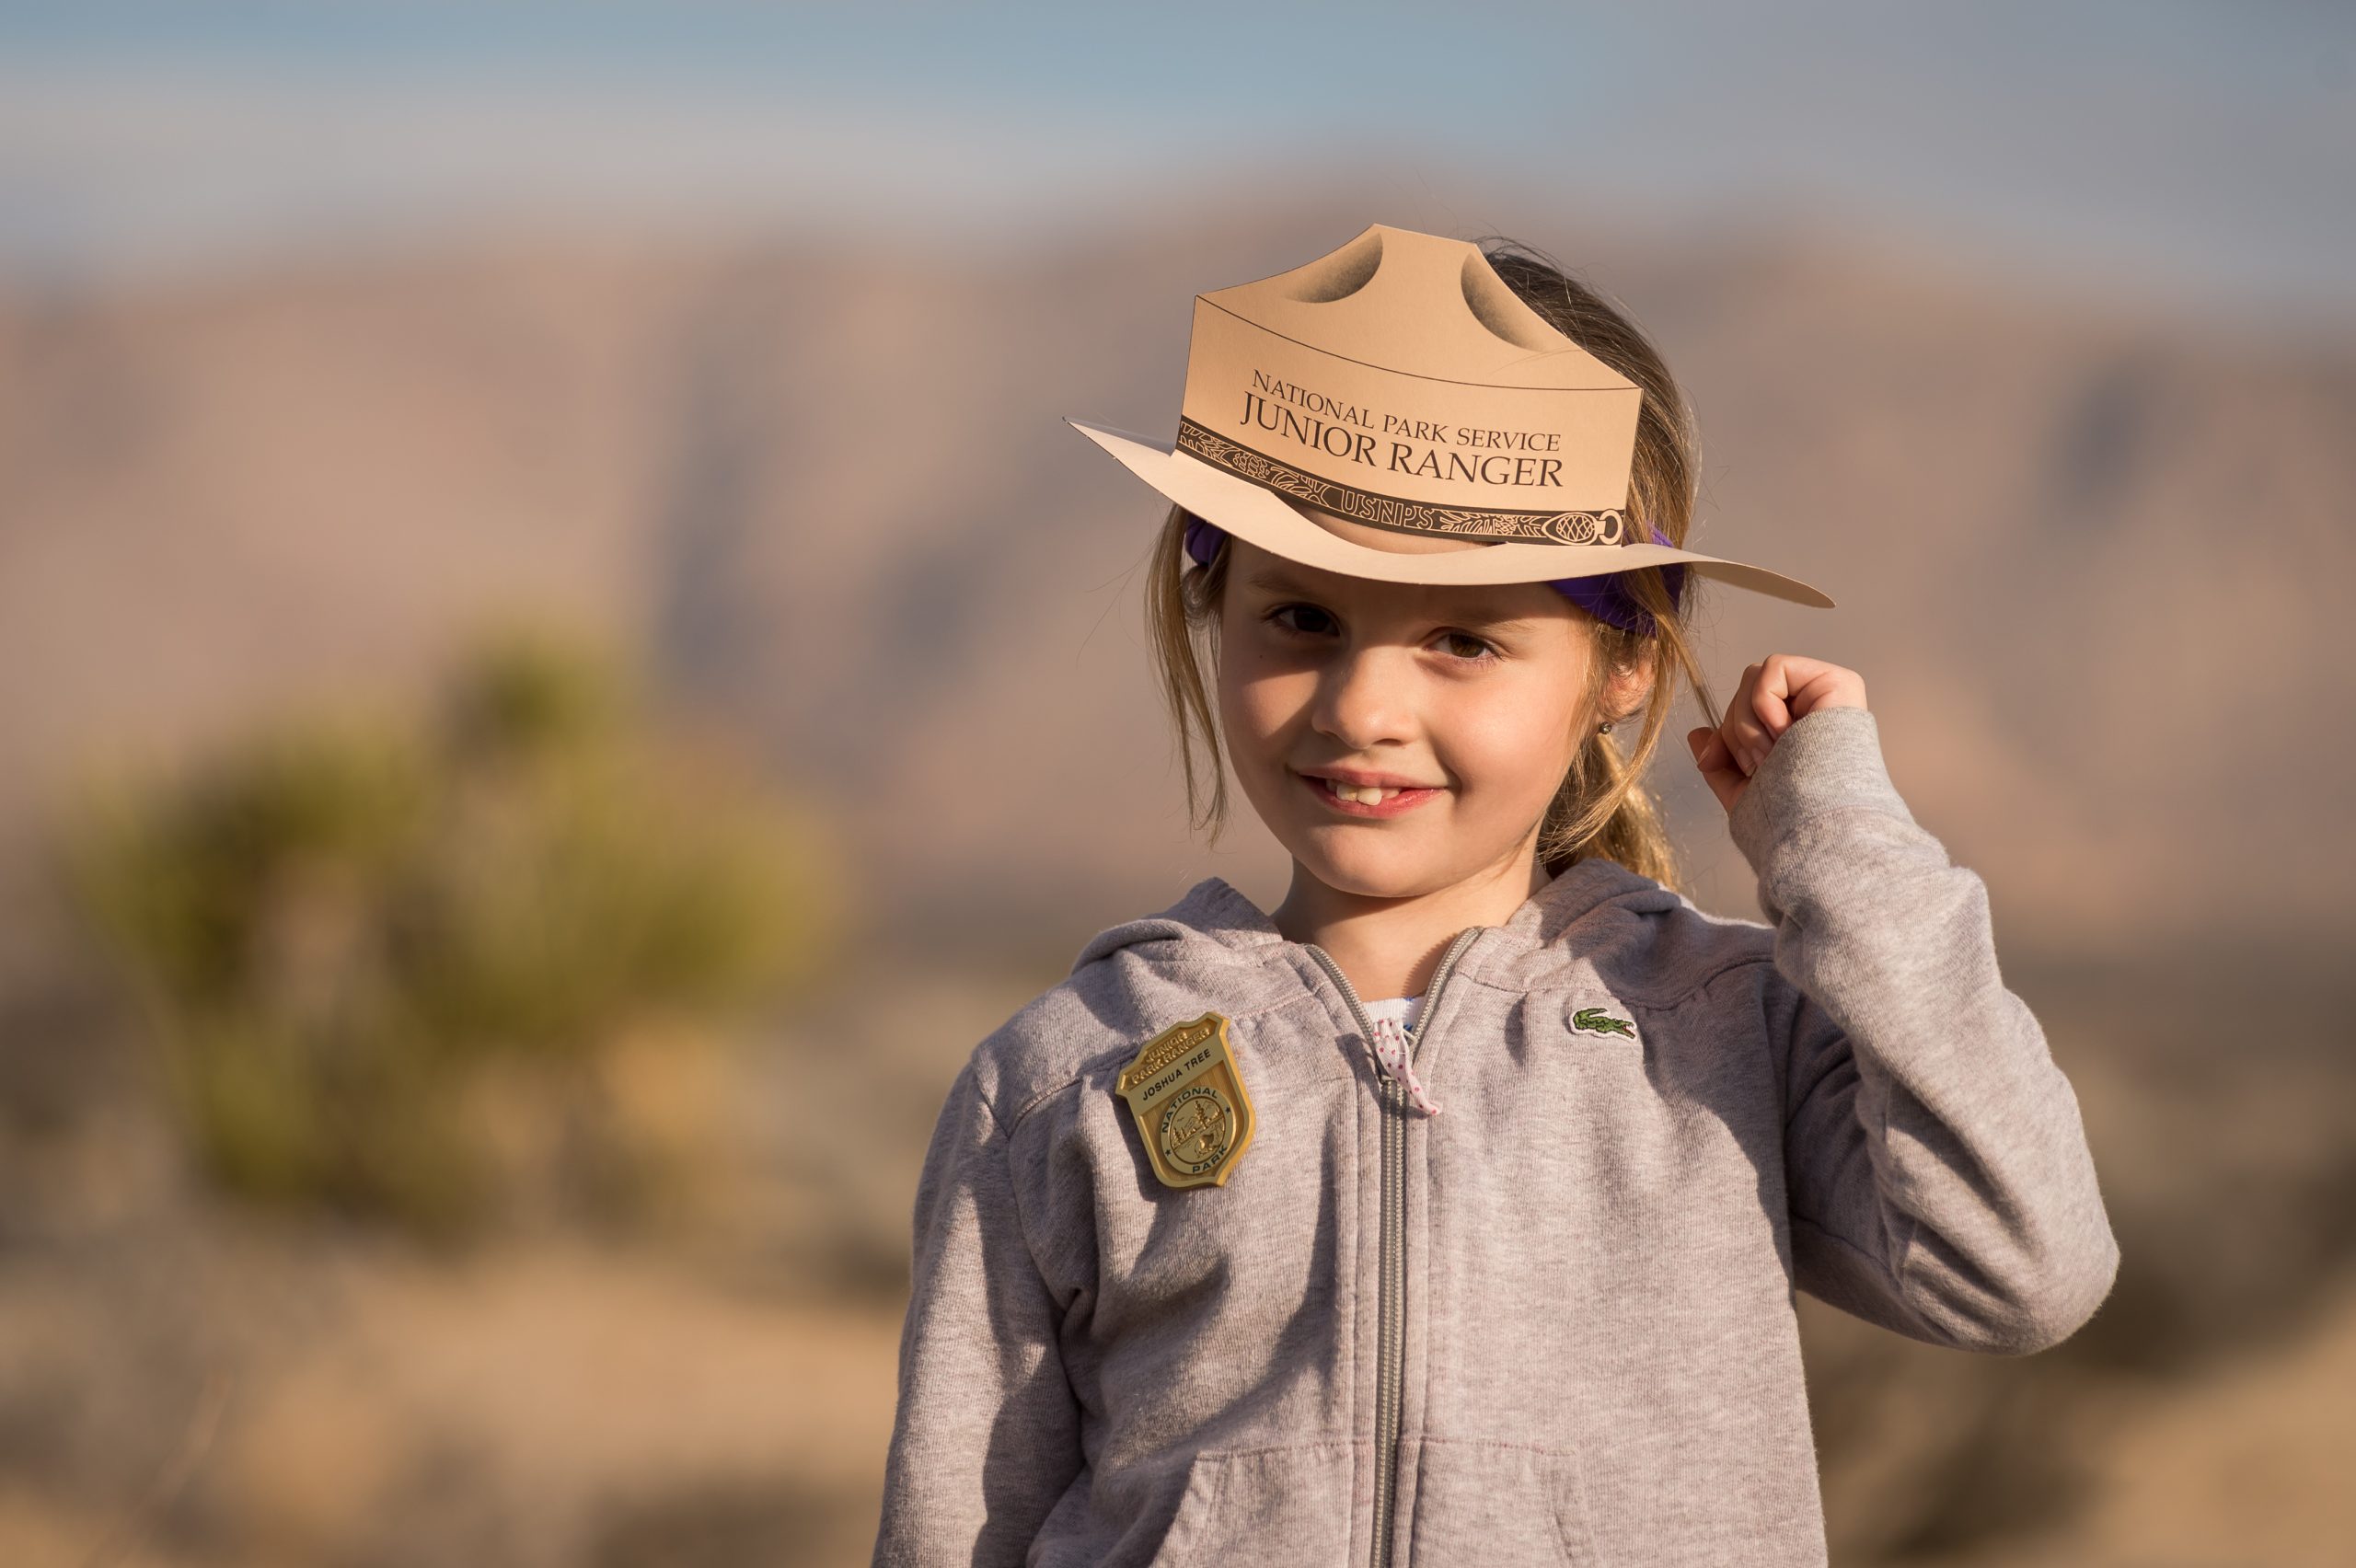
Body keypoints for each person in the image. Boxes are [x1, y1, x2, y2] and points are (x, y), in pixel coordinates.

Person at [870, 223, 2119, 1567]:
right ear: (1212, 608)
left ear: (1625, 662)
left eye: (1464, 637)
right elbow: (959, 1529)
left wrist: (1842, 844)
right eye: (1301, 619)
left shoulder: (1726, 1034)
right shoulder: (1069, 1076)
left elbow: (2025, 1267)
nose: (1364, 707)